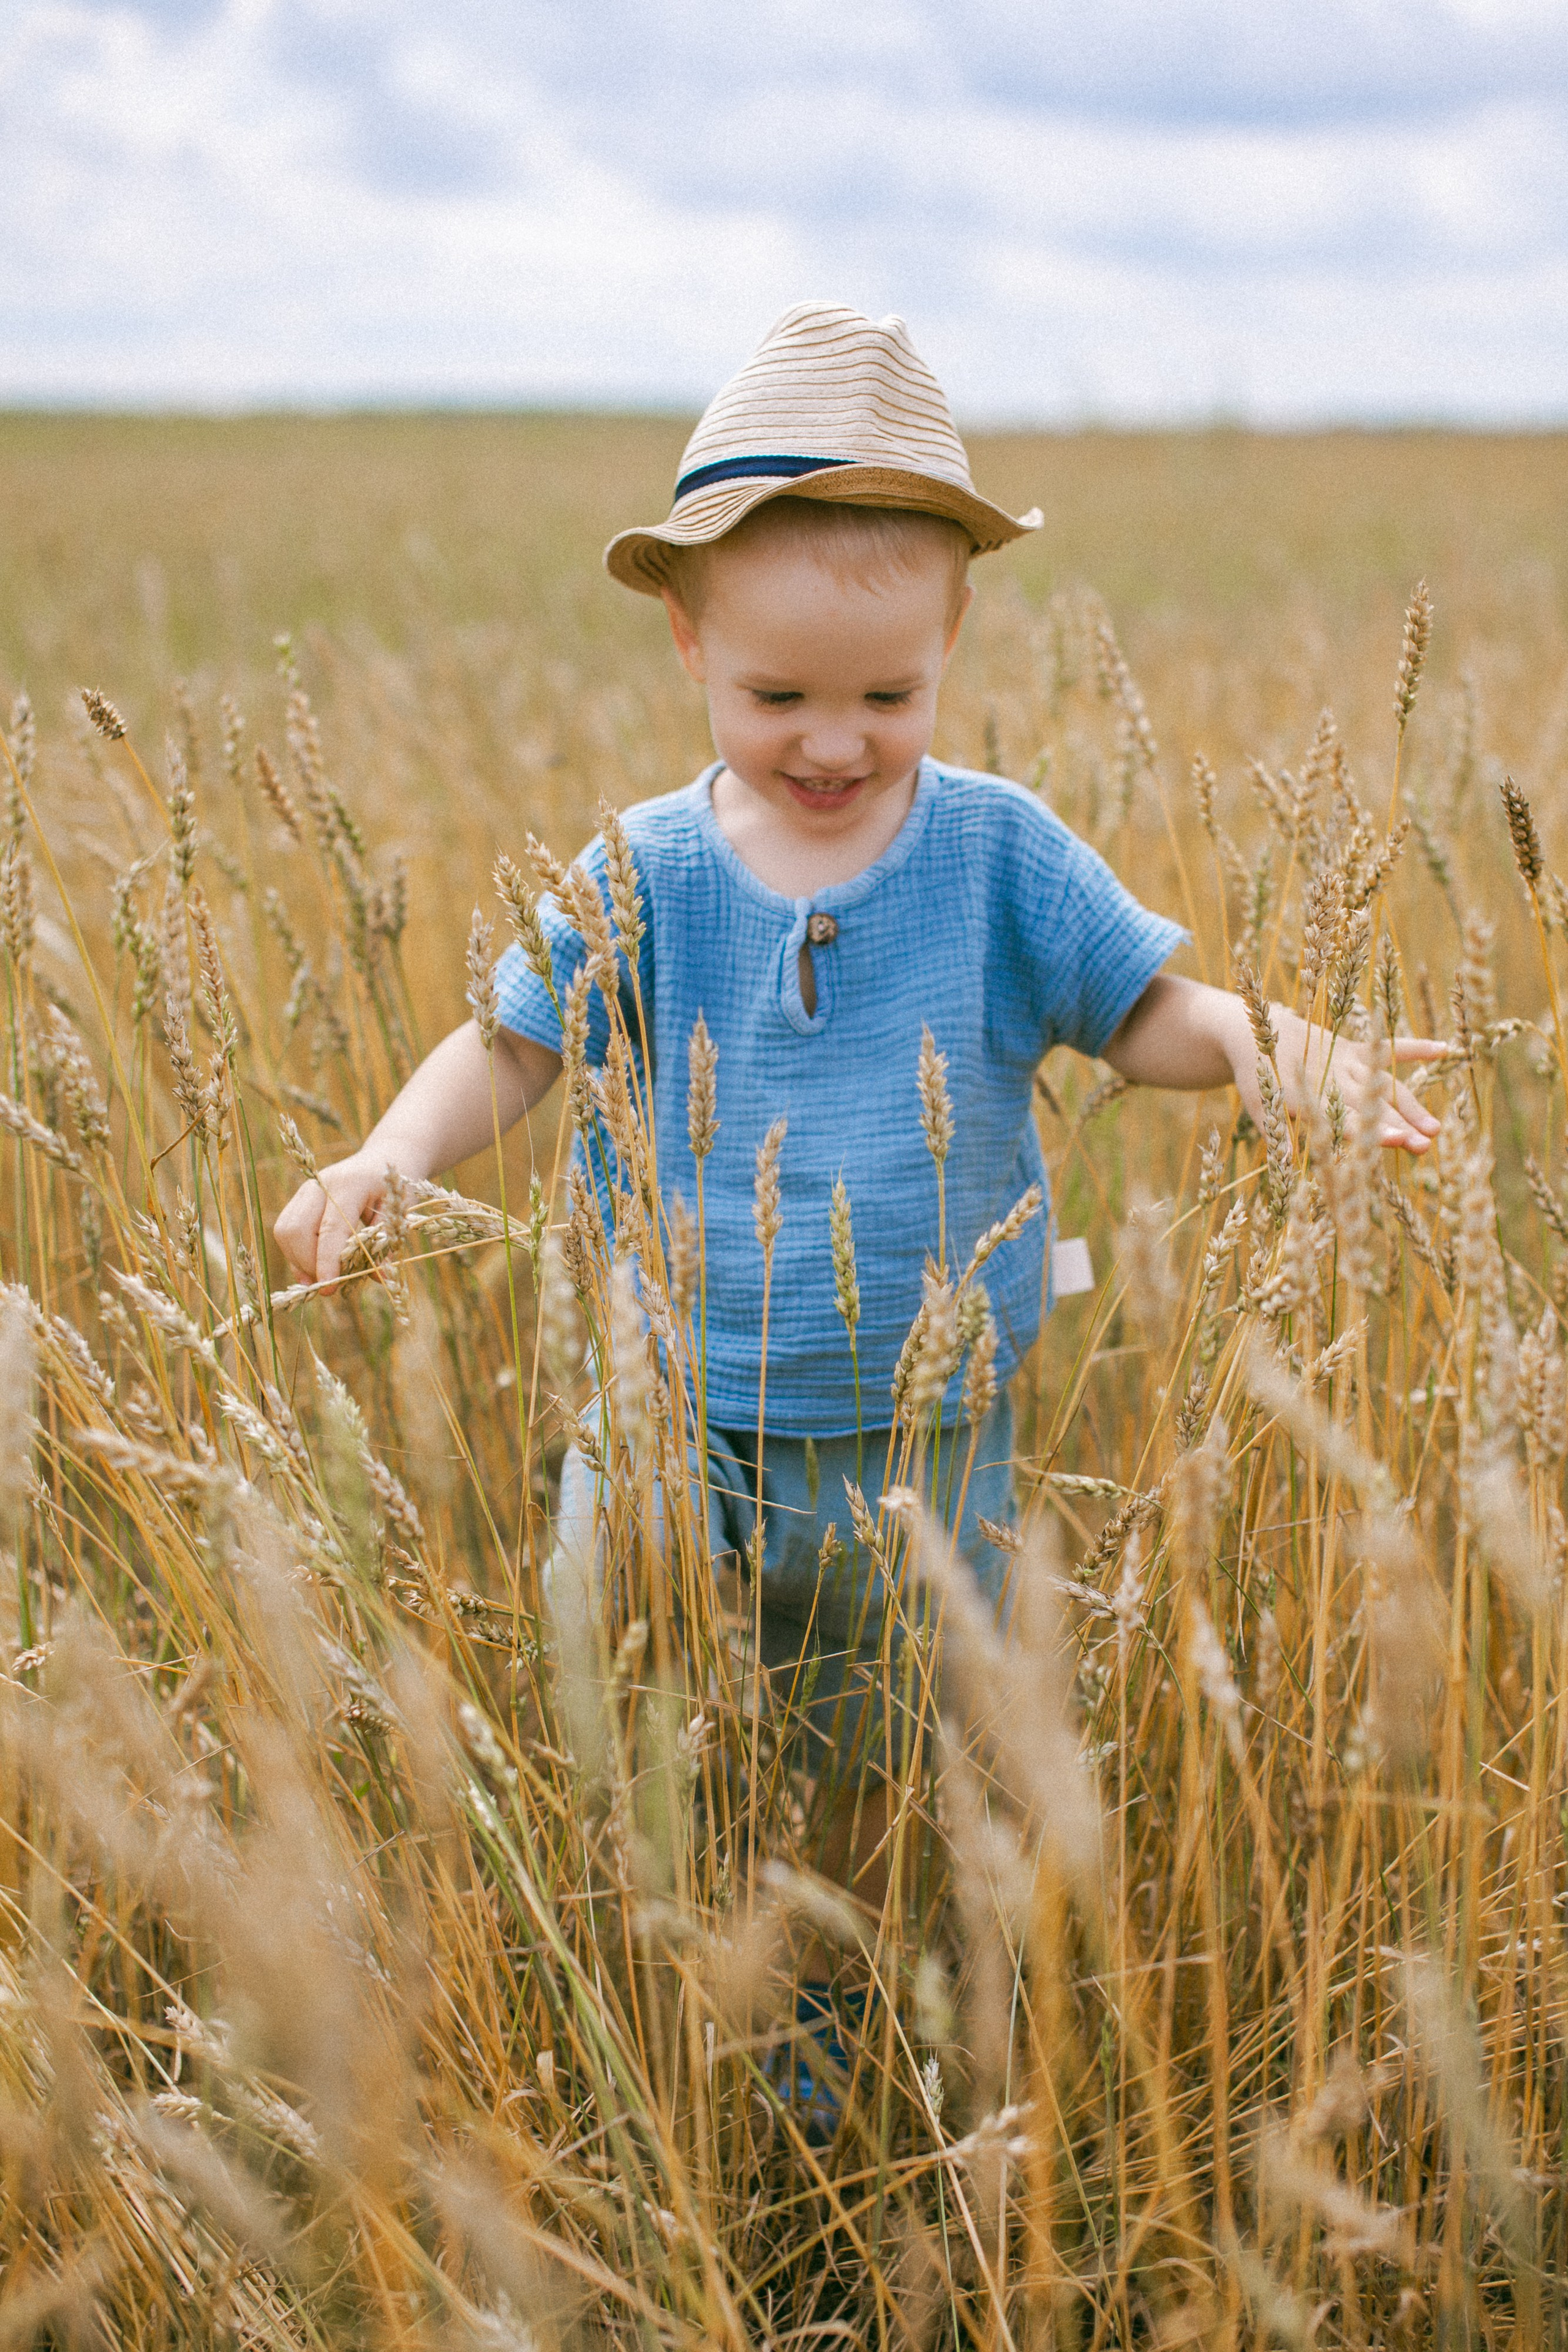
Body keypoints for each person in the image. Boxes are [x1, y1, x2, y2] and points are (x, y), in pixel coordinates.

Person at [274, 302, 1441, 2128]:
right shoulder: (647, 872)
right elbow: (510, 1045)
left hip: (918, 1435)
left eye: (886, 698)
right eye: (780, 698)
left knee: (874, 1770)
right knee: (626, 1684)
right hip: (668, 1412)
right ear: (688, 641)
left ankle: (837, 2067)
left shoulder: (995, 853)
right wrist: (383, 1160)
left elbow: (1147, 1017)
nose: (835, 742)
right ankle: (653, 1991)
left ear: (954, 635)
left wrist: (1283, 1049)